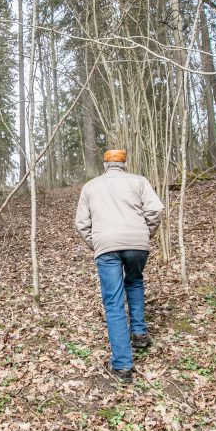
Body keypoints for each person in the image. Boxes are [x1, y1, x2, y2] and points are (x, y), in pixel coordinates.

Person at [74, 149, 164, 384]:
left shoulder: (91, 186)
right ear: (124, 163)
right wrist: (146, 234)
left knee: (113, 303)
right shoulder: (139, 181)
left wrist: (97, 244)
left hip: (106, 245)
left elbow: (82, 223)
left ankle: (123, 366)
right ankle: (140, 334)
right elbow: (156, 209)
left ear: (105, 164)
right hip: (137, 243)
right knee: (134, 281)